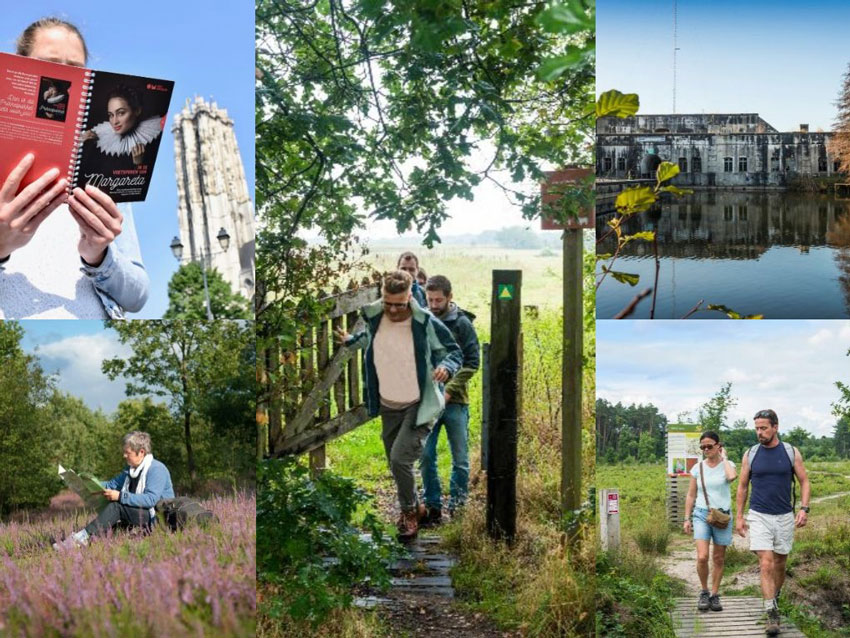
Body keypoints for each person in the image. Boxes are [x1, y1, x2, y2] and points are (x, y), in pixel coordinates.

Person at [1, 17, 149, 319]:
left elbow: (138, 296)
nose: (62, 82)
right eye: (50, 66)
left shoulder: (104, 170)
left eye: (75, 70)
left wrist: (99, 256)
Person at [335, 270, 462, 541]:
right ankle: (417, 507)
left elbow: (453, 351)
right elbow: (368, 339)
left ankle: (408, 514)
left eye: (399, 305)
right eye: (388, 303)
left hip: (419, 404)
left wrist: (446, 367)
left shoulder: (424, 322)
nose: (393, 310)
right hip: (388, 405)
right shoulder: (375, 317)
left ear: (410, 298)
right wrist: (350, 341)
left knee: (399, 459)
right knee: (395, 464)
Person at [736, 409, 811, 637]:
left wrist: (804, 508)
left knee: (779, 563)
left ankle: (774, 598)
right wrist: (739, 516)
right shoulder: (751, 454)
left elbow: (804, 481)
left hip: (784, 516)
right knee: (766, 563)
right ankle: (771, 612)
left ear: (775, 427)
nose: (759, 432)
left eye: (764, 428)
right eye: (757, 428)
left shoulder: (790, 452)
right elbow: (742, 486)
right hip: (759, 515)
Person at [420, 275, 480, 524]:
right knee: (426, 455)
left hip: (456, 401)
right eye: (430, 300)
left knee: (460, 458)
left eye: (438, 300)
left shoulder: (462, 324)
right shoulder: (422, 320)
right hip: (427, 401)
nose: (434, 305)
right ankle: (432, 506)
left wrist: (450, 390)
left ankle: (458, 507)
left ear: (449, 297)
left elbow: (472, 362)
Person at [54, 431, 174, 549]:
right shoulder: (130, 470)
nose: (124, 456)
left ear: (141, 452)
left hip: (159, 517)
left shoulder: (156, 469)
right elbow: (111, 485)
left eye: (128, 453)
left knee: (118, 506)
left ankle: (80, 538)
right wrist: (85, 484)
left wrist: (120, 496)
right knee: (109, 529)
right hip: (142, 514)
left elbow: (150, 499)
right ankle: (83, 542)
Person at [683, 431, 737, 612]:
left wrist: (724, 458)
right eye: (703, 447)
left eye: (709, 446)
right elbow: (691, 495)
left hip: (722, 516)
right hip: (701, 514)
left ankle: (715, 594)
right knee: (702, 556)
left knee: (718, 558)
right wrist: (686, 518)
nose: (706, 449)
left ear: (718, 446)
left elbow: (731, 477)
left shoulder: (728, 465)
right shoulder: (697, 468)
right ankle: (704, 591)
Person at [81, 84, 164, 166]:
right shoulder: (99, 140)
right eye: (111, 115)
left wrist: (138, 164)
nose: (114, 122)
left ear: (137, 110)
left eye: (121, 113)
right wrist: (84, 146)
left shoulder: (156, 140)